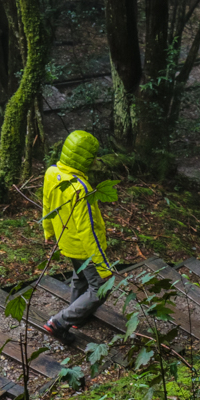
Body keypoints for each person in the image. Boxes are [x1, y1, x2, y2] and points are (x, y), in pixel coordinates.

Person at [40, 130, 113, 343]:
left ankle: (77, 317)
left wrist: (48, 230)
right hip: (84, 247)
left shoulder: (52, 172)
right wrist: (102, 266)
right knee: (100, 287)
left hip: (66, 241)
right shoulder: (81, 188)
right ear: (87, 159)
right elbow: (87, 229)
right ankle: (60, 322)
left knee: (80, 277)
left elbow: (47, 202)